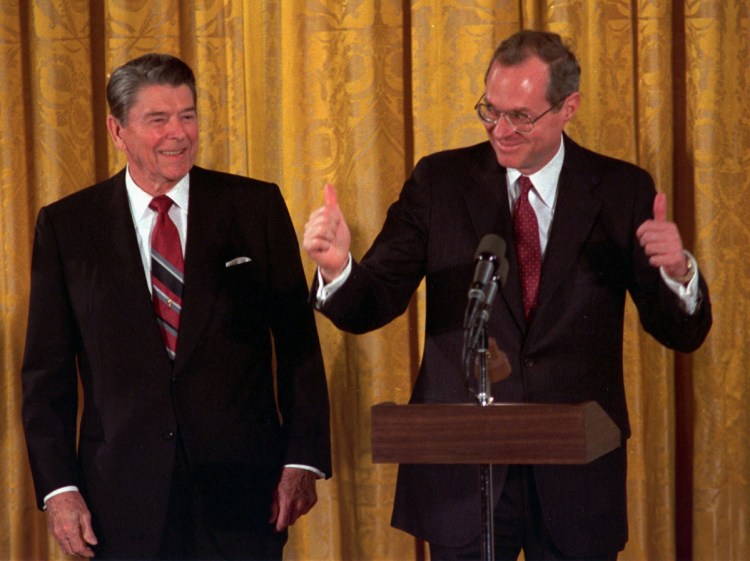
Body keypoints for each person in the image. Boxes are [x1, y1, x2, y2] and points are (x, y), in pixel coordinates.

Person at [303, 30, 711, 560]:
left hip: (575, 475)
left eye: (520, 115)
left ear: (568, 108)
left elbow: (679, 332)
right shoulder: (440, 181)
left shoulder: (621, 190)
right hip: (463, 475)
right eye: (490, 111)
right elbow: (373, 301)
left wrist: (678, 273)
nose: (501, 129)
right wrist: (338, 269)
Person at [21, 53, 331, 560]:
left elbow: (298, 348)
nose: (179, 133)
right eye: (158, 119)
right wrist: (59, 490)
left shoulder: (255, 208)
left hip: (242, 495)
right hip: (118, 501)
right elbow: (45, 376)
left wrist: (302, 460)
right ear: (117, 130)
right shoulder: (67, 227)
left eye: (187, 115)